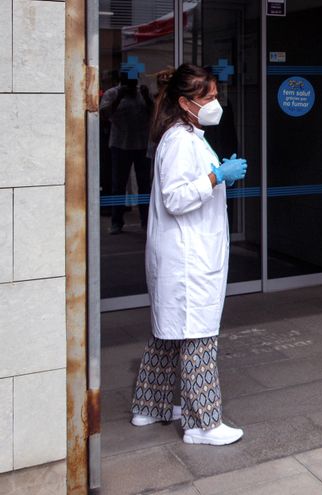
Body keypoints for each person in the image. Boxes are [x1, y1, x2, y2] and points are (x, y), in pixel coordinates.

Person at [129, 63, 248, 446]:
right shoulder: (180, 139)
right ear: (185, 102)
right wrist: (217, 176)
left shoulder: (186, 133)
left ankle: (150, 406)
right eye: (207, 97)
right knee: (197, 336)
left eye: (215, 95)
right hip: (187, 257)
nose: (216, 103)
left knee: (168, 332)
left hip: (185, 251)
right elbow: (177, 197)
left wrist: (215, 172)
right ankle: (203, 423)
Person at [100, 73, 154, 234]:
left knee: (144, 184)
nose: (131, 87)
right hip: (120, 144)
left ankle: (146, 220)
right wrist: (119, 97)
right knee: (118, 185)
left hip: (141, 144)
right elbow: (104, 115)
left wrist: (146, 97)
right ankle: (117, 222)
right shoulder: (112, 93)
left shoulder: (142, 93)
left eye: (133, 83)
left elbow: (154, 113)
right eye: (127, 83)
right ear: (121, 82)